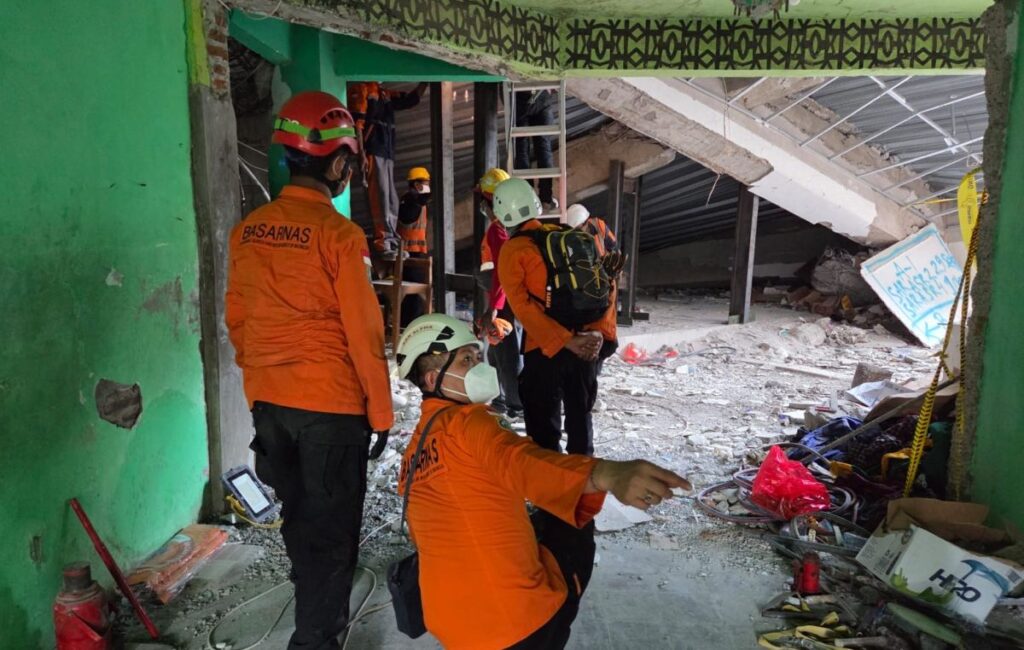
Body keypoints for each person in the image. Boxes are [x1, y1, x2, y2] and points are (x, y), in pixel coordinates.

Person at [394, 314, 690, 649]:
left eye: (477, 356)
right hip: (514, 623)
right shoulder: (469, 424)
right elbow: (522, 462)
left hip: (450, 624)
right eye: (466, 360)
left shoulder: (413, 451)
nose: (479, 367)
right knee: (573, 528)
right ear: (434, 378)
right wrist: (607, 474)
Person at [225, 90, 393, 650]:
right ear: (339, 163)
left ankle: (311, 598)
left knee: (298, 515)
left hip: (270, 407)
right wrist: (381, 412)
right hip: (330, 409)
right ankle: (315, 638)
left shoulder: (248, 231)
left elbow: (237, 320)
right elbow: (364, 335)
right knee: (332, 534)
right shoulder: (340, 236)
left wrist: (263, 382)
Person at [495, 179, 617, 456]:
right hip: (586, 345)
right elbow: (604, 285)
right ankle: (582, 479)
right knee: (580, 424)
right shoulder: (569, 236)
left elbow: (523, 307)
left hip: (544, 350)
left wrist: (564, 341)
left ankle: (551, 483)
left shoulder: (514, 250)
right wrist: (599, 334)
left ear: (501, 215)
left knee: (544, 433)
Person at [348, 81, 427, 258]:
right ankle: (382, 241)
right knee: (380, 197)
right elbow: (358, 124)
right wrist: (361, 153)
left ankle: (391, 239)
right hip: (373, 151)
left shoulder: (384, 93)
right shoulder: (363, 89)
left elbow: (410, 99)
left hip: (386, 152)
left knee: (390, 198)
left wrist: (427, 81)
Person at [475, 167, 523, 417]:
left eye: (483, 199)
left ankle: (516, 405)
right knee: (496, 353)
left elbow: (503, 272)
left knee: (506, 355)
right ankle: (502, 400)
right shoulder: (507, 226)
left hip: (504, 302)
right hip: (502, 298)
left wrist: (494, 308)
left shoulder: (498, 229)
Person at [567, 203, 623, 375]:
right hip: (588, 286)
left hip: (603, 282)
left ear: (586, 222)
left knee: (603, 328)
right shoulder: (570, 237)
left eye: (580, 227)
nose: (579, 231)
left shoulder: (598, 226)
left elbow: (613, 247)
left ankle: (593, 367)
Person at [396, 166, 431, 325]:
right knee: (414, 297)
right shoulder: (410, 201)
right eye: (426, 183)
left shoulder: (414, 200)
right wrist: (420, 201)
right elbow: (409, 215)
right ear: (417, 185)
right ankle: (410, 325)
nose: (428, 186)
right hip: (409, 255)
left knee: (412, 297)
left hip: (413, 253)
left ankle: (409, 324)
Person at [514, 89, 558, 213]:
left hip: (518, 96)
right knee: (544, 148)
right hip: (541, 96)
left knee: (521, 149)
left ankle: (529, 199)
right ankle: (546, 199)